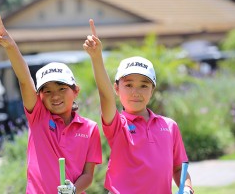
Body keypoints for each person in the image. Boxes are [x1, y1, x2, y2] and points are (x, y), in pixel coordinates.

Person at [0, 14, 102, 194]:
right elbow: (25, 80)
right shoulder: (38, 117)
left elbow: (88, 175)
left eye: (61, 88)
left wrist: (73, 189)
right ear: (39, 96)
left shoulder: (90, 129)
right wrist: (11, 47)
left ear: (76, 91)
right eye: (47, 91)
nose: (55, 96)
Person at [83, 19, 194, 194]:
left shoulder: (169, 126)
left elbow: (179, 168)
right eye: (129, 85)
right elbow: (105, 96)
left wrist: (187, 187)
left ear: (152, 90)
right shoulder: (117, 124)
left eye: (144, 85)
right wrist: (97, 58)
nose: (136, 92)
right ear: (116, 88)